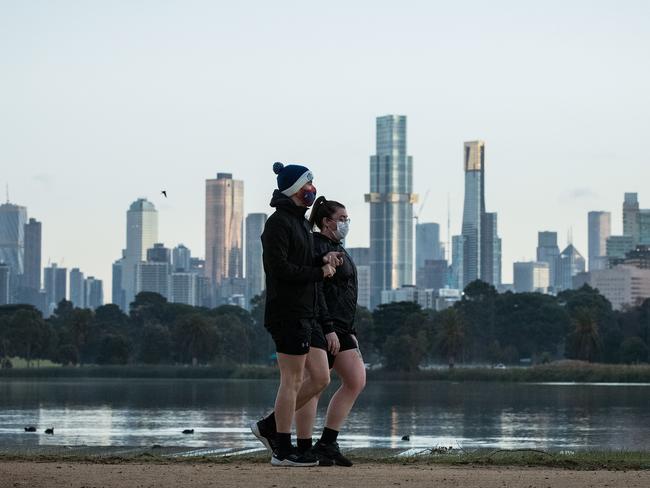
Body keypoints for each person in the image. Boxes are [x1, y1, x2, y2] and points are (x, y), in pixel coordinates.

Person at [251, 162, 343, 467]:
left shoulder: (301, 224)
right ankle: (283, 449)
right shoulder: (278, 224)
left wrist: (322, 256)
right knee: (290, 380)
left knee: (319, 377)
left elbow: (301, 259)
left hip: (307, 313)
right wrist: (319, 270)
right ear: (293, 189)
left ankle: (268, 426)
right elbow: (280, 269)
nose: (311, 190)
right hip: (287, 311)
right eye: (307, 184)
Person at [293, 196, 366, 467]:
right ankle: (302, 446)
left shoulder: (338, 247)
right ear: (326, 221)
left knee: (356, 379)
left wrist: (350, 330)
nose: (346, 223)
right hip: (323, 326)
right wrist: (329, 329)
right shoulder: (316, 247)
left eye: (347, 219)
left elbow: (345, 293)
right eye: (342, 219)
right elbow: (318, 291)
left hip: (344, 327)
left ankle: (326, 443)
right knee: (313, 385)